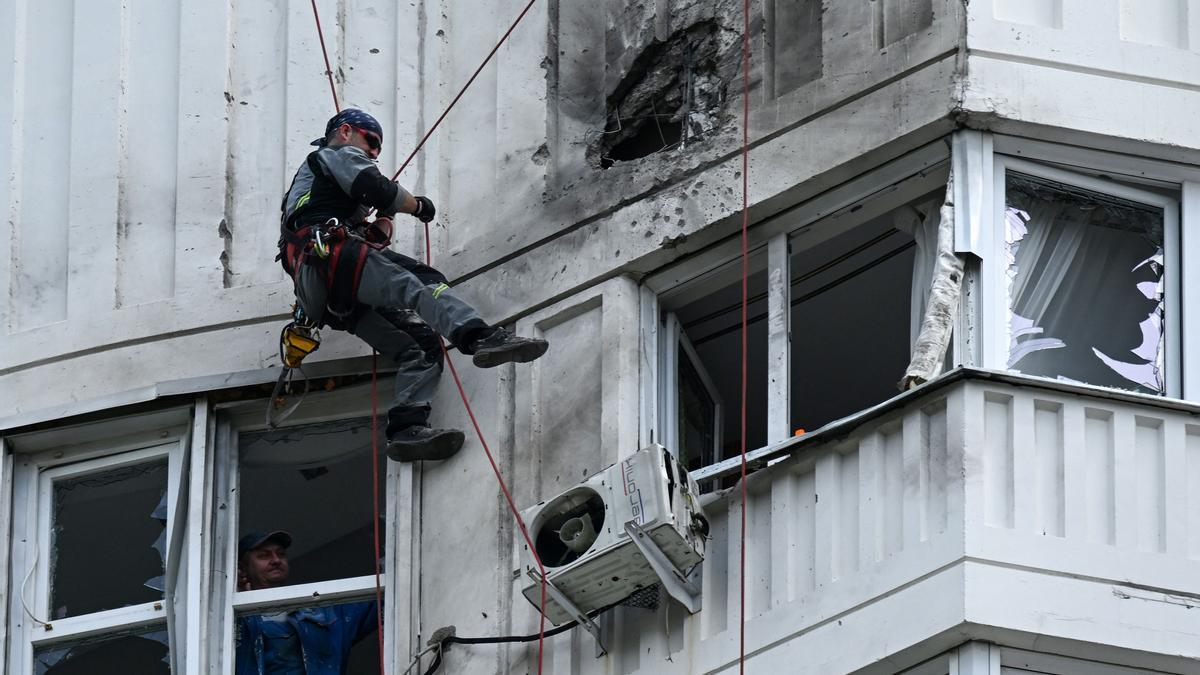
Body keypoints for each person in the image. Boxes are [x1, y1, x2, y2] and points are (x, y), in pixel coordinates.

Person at [279, 108, 548, 462]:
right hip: (333, 260)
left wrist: (384, 219)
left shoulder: (319, 191)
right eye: (370, 142)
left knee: (420, 346)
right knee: (421, 281)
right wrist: (417, 205)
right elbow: (374, 187)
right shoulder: (333, 154)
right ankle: (479, 336)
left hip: (327, 291)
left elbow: (373, 235)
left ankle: (407, 429)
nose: (374, 153)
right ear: (345, 131)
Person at [234, 531, 378, 675]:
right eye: (264, 556)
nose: (276, 560)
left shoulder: (325, 615)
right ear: (242, 568)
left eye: (281, 554)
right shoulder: (233, 617)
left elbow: (381, 603)